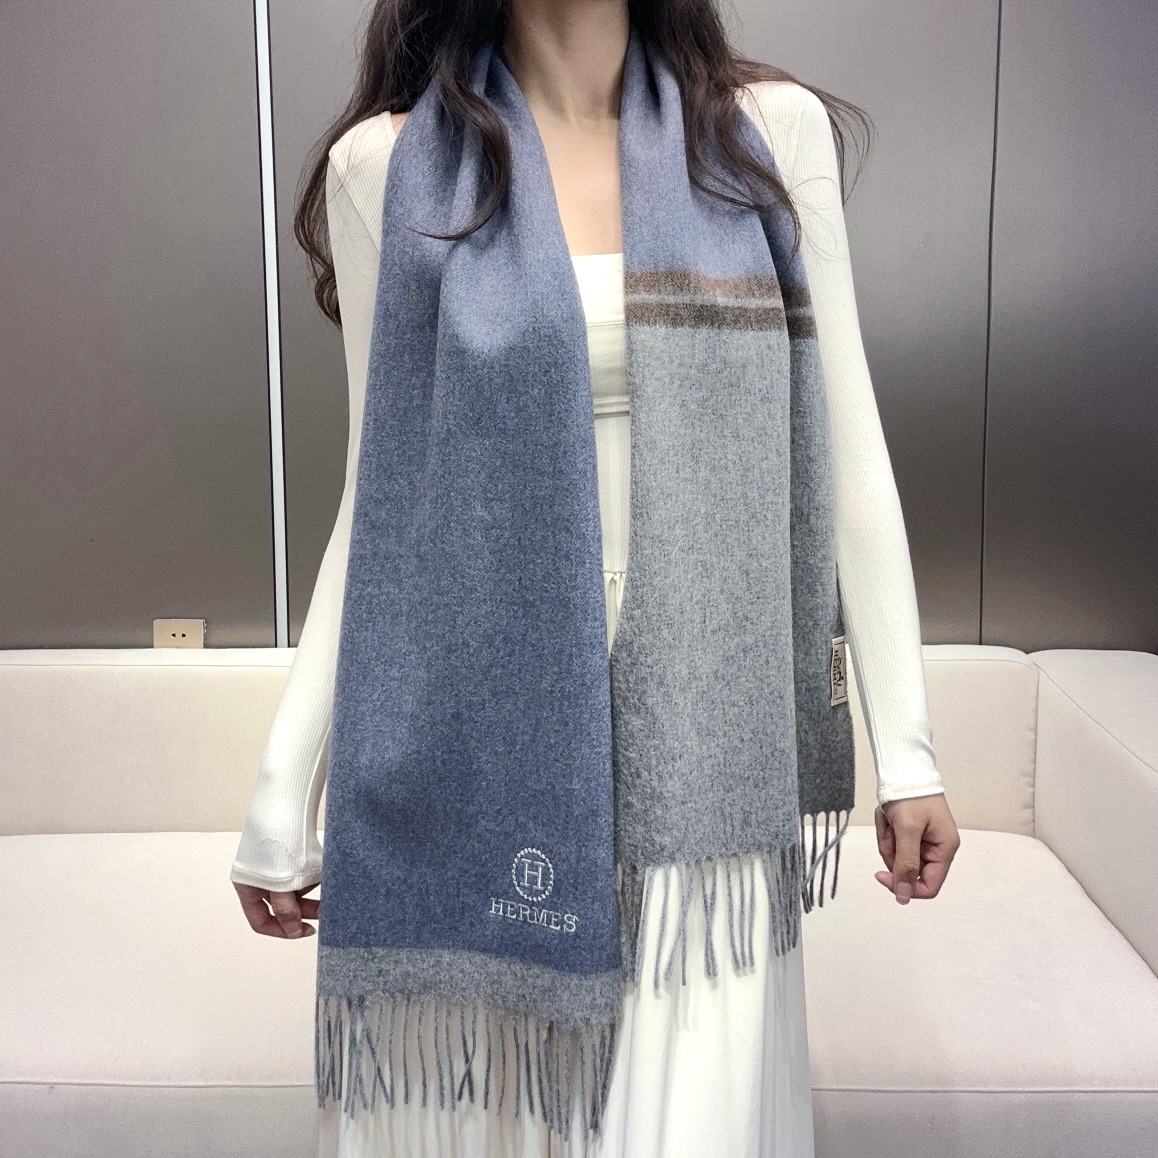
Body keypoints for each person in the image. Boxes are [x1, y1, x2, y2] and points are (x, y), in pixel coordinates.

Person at [231, 2, 962, 1155]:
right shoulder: (389, 165)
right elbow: (380, 499)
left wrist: (908, 753)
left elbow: (847, 453)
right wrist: (285, 782)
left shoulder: (766, 135)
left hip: (707, 733)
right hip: (480, 732)